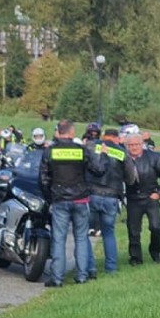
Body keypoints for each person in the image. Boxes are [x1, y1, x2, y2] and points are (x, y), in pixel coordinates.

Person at [38, 119, 108, 287]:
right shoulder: (81, 150)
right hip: (80, 199)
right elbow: (99, 170)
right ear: (71, 132)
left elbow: (43, 179)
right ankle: (82, 276)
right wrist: (103, 154)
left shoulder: (50, 151)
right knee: (82, 238)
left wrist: (49, 197)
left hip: (60, 199)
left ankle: (57, 278)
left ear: (58, 132)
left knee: (59, 239)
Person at [85, 129, 138, 276]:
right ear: (116, 138)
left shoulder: (90, 146)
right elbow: (131, 178)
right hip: (112, 197)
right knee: (108, 233)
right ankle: (111, 268)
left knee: (84, 233)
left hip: (91, 195)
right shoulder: (122, 152)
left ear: (104, 137)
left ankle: (90, 267)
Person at [123, 132, 160, 265]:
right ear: (126, 146)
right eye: (131, 145)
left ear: (142, 144)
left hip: (151, 197)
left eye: (137, 144)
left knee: (156, 227)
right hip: (133, 199)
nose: (134, 147)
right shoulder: (123, 159)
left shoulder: (154, 157)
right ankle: (135, 258)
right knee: (133, 230)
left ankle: (155, 252)